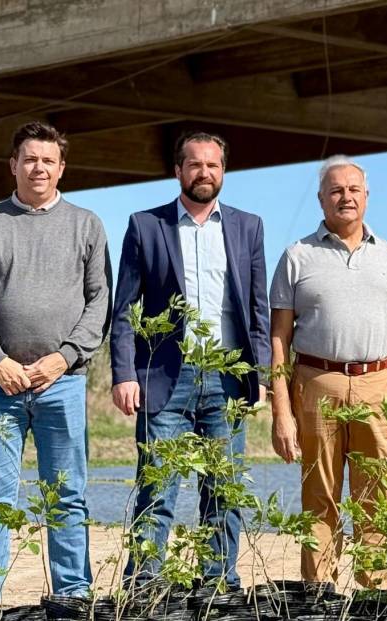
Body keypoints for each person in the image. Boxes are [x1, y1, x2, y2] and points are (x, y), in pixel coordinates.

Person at [0, 121, 110, 617]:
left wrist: (64, 356)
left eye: (48, 160)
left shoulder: (86, 224)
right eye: (29, 159)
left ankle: (73, 593)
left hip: (62, 383)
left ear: (62, 168)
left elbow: (99, 299)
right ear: (13, 165)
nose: (38, 167)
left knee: (66, 494)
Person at [110, 130, 270, 589]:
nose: (205, 172)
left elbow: (256, 310)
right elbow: (123, 311)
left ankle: (219, 586)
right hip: (163, 380)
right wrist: (124, 373)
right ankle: (143, 586)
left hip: (227, 379)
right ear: (178, 170)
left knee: (223, 491)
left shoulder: (248, 227)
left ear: (224, 171)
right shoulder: (146, 226)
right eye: (195, 164)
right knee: (157, 489)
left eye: (213, 165)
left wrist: (257, 376)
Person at [269, 155, 387, 585]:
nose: (345, 197)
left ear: (367, 197)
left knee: (377, 500)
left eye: (354, 189)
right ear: (321, 200)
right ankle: (320, 601)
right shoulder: (296, 256)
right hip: (317, 383)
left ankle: (377, 599)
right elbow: (279, 340)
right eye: (336, 190)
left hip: (380, 384)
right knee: (319, 500)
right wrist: (281, 412)